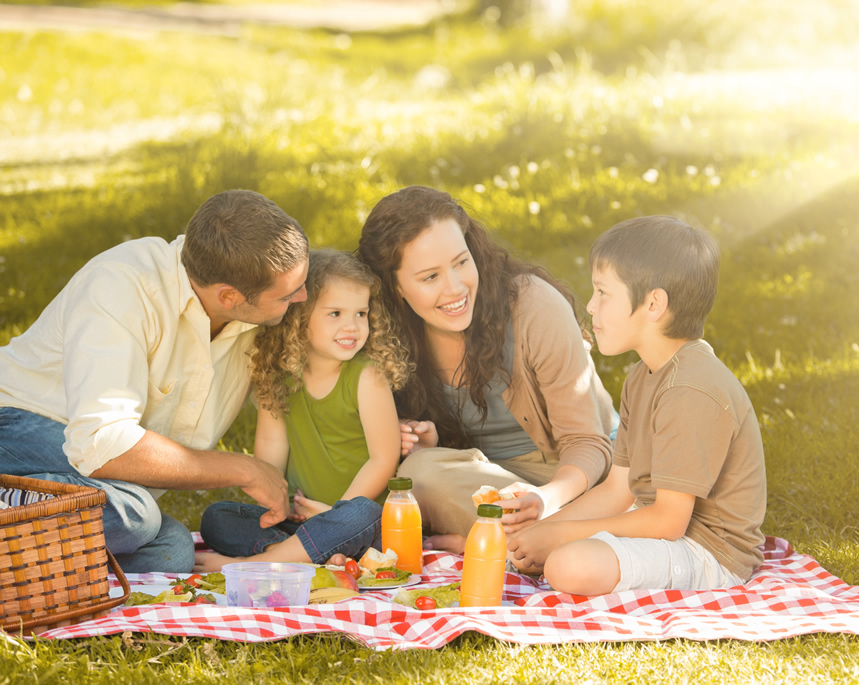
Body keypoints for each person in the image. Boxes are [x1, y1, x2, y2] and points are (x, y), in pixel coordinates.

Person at [0, 190, 309, 573]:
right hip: (15, 427)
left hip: (97, 476)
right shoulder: (122, 286)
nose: (303, 297)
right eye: (289, 294)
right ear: (228, 296)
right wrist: (243, 468)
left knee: (170, 552)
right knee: (134, 513)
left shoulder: (251, 310)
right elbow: (101, 444)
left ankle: (23, 556)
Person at [507, 216, 767, 595]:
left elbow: (669, 522)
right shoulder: (642, 375)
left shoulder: (690, 389)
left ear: (653, 304)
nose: (591, 307)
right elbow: (618, 489)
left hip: (709, 552)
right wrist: (546, 528)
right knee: (545, 545)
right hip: (658, 528)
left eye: (603, 293)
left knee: (567, 563)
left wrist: (560, 536)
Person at [357, 185, 615, 553]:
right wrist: (426, 442)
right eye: (430, 277)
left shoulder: (534, 308)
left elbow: (588, 443)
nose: (456, 288)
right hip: (486, 483)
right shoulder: (383, 336)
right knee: (419, 475)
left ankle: (500, 542)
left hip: (574, 476)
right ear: (394, 286)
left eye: (461, 262)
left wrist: (545, 500)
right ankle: (534, 542)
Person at [195, 249, 433, 570]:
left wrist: (336, 511)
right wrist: (275, 504)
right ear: (300, 318)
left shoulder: (367, 375)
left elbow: (383, 460)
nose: (352, 326)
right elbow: (272, 446)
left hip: (356, 522)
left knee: (363, 514)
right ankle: (306, 555)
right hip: (299, 519)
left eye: (360, 314)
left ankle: (254, 564)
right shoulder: (279, 375)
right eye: (335, 314)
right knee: (218, 518)